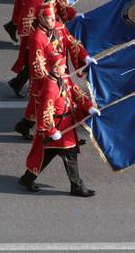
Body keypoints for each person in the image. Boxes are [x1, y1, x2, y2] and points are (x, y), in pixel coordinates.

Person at [11, 0, 94, 139]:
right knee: (45, 106)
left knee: (61, 103)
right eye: (49, 18)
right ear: (42, 19)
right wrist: (50, 81)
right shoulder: (37, 38)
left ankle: (62, 132)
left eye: (54, 17)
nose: (53, 21)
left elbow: (72, 42)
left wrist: (85, 57)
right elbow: (37, 63)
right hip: (45, 78)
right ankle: (39, 130)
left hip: (60, 71)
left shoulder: (59, 28)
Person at [19, 56, 99, 197]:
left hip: (66, 124)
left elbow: (76, 92)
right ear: (55, 69)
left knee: (48, 154)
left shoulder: (64, 78)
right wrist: (51, 131)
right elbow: (45, 111)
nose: (66, 67)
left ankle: (28, 178)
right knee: (70, 155)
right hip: (58, 127)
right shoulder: (50, 88)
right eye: (63, 65)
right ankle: (76, 186)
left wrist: (89, 107)